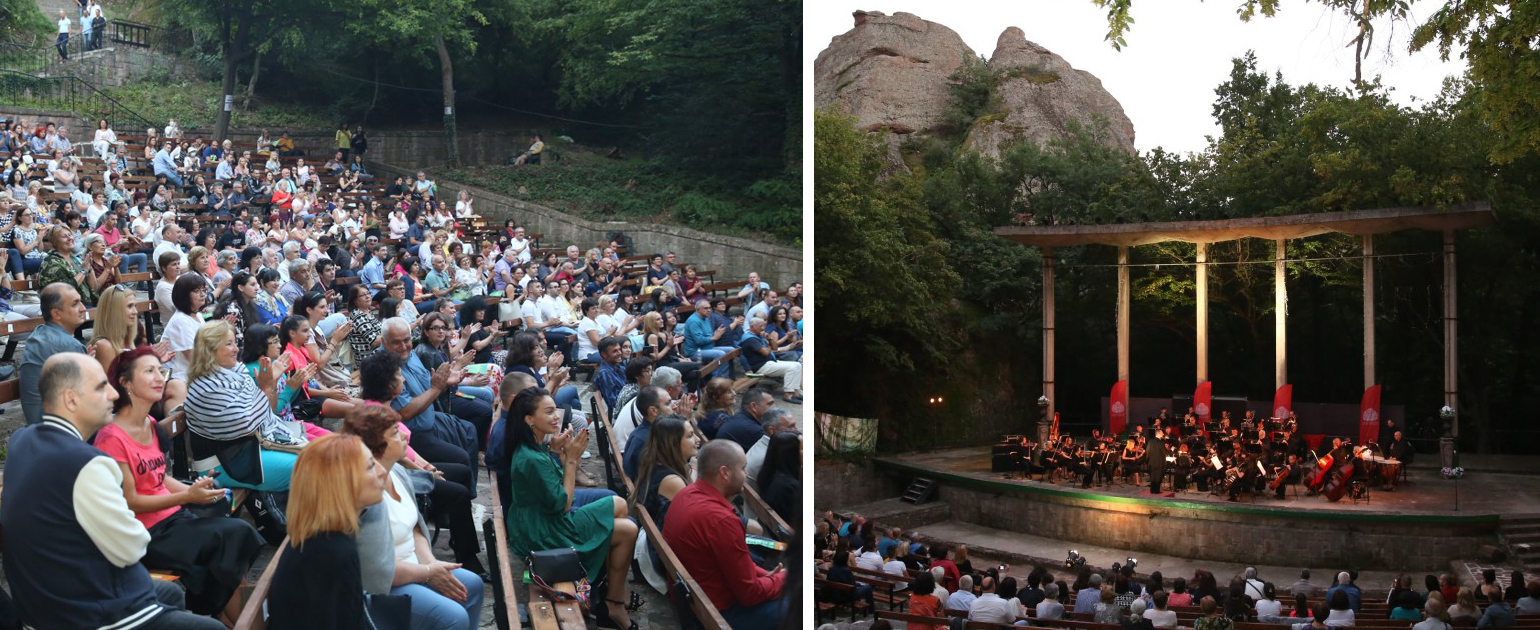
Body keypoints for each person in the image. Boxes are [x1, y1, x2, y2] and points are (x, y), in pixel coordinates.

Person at [97, 346, 266, 620]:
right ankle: (233, 618)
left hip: (174, 518)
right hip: (147, 533)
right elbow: (131, 501)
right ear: (125, 382)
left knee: (233, 543)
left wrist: (194, 491)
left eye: (160, 371)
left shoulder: (150, 423)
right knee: (230, 539)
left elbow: (159, 477)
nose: (159, 378)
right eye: (149, 371)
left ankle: (226, 617)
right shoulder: (112, 437)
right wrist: (187, 498)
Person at [504, 387, 640, 630]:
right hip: (543, 532)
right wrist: (571, 459)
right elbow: (563, 505)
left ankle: (609, 589)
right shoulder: (532, 458)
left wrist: (554, 450)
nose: (556, 416)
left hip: (536, 520)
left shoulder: (532, 447)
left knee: (619, 504)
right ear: (529, 419)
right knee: (628, 530)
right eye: (548, 412)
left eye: (554, 409)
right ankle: (613, 602)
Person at [341, 405, 484, 630]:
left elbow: (415, 528)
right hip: (386, 583)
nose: (405, 435)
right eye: (396, 433)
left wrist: (431, 562)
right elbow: (374, 570)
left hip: (416, 565)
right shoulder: (363, 494)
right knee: (454, 617)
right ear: (377, 446)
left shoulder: (398, 472)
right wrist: (427, 573)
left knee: (473, 585)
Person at [266, 434, 386, 629]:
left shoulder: (324, 539)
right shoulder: (332, 552)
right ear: (341, 483)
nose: (382, 472)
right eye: (371, 466)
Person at [183, 320, 312, 491]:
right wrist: (267, 387)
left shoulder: (237, 373)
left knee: (319, 456)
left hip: (249, 448)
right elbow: (247, 425)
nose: (236, 349)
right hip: (223, 463)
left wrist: (269, 386)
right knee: (309, 466)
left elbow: (267, 412)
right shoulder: (206, 386)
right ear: (210, 349)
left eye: (235, 343)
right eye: (229, 344)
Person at [18, 283, 89, 425]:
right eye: (75, 304)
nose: (83, 308)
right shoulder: (69, 345)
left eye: (81, 301)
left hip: (39, 426)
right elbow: (88, 398)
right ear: (56, 313)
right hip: (58, 431)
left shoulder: (40, 332)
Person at [717, 387, 774, 453]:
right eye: (769, 404)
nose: (774, 407)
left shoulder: (740, 416)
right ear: (754, 406)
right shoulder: (753, 430)